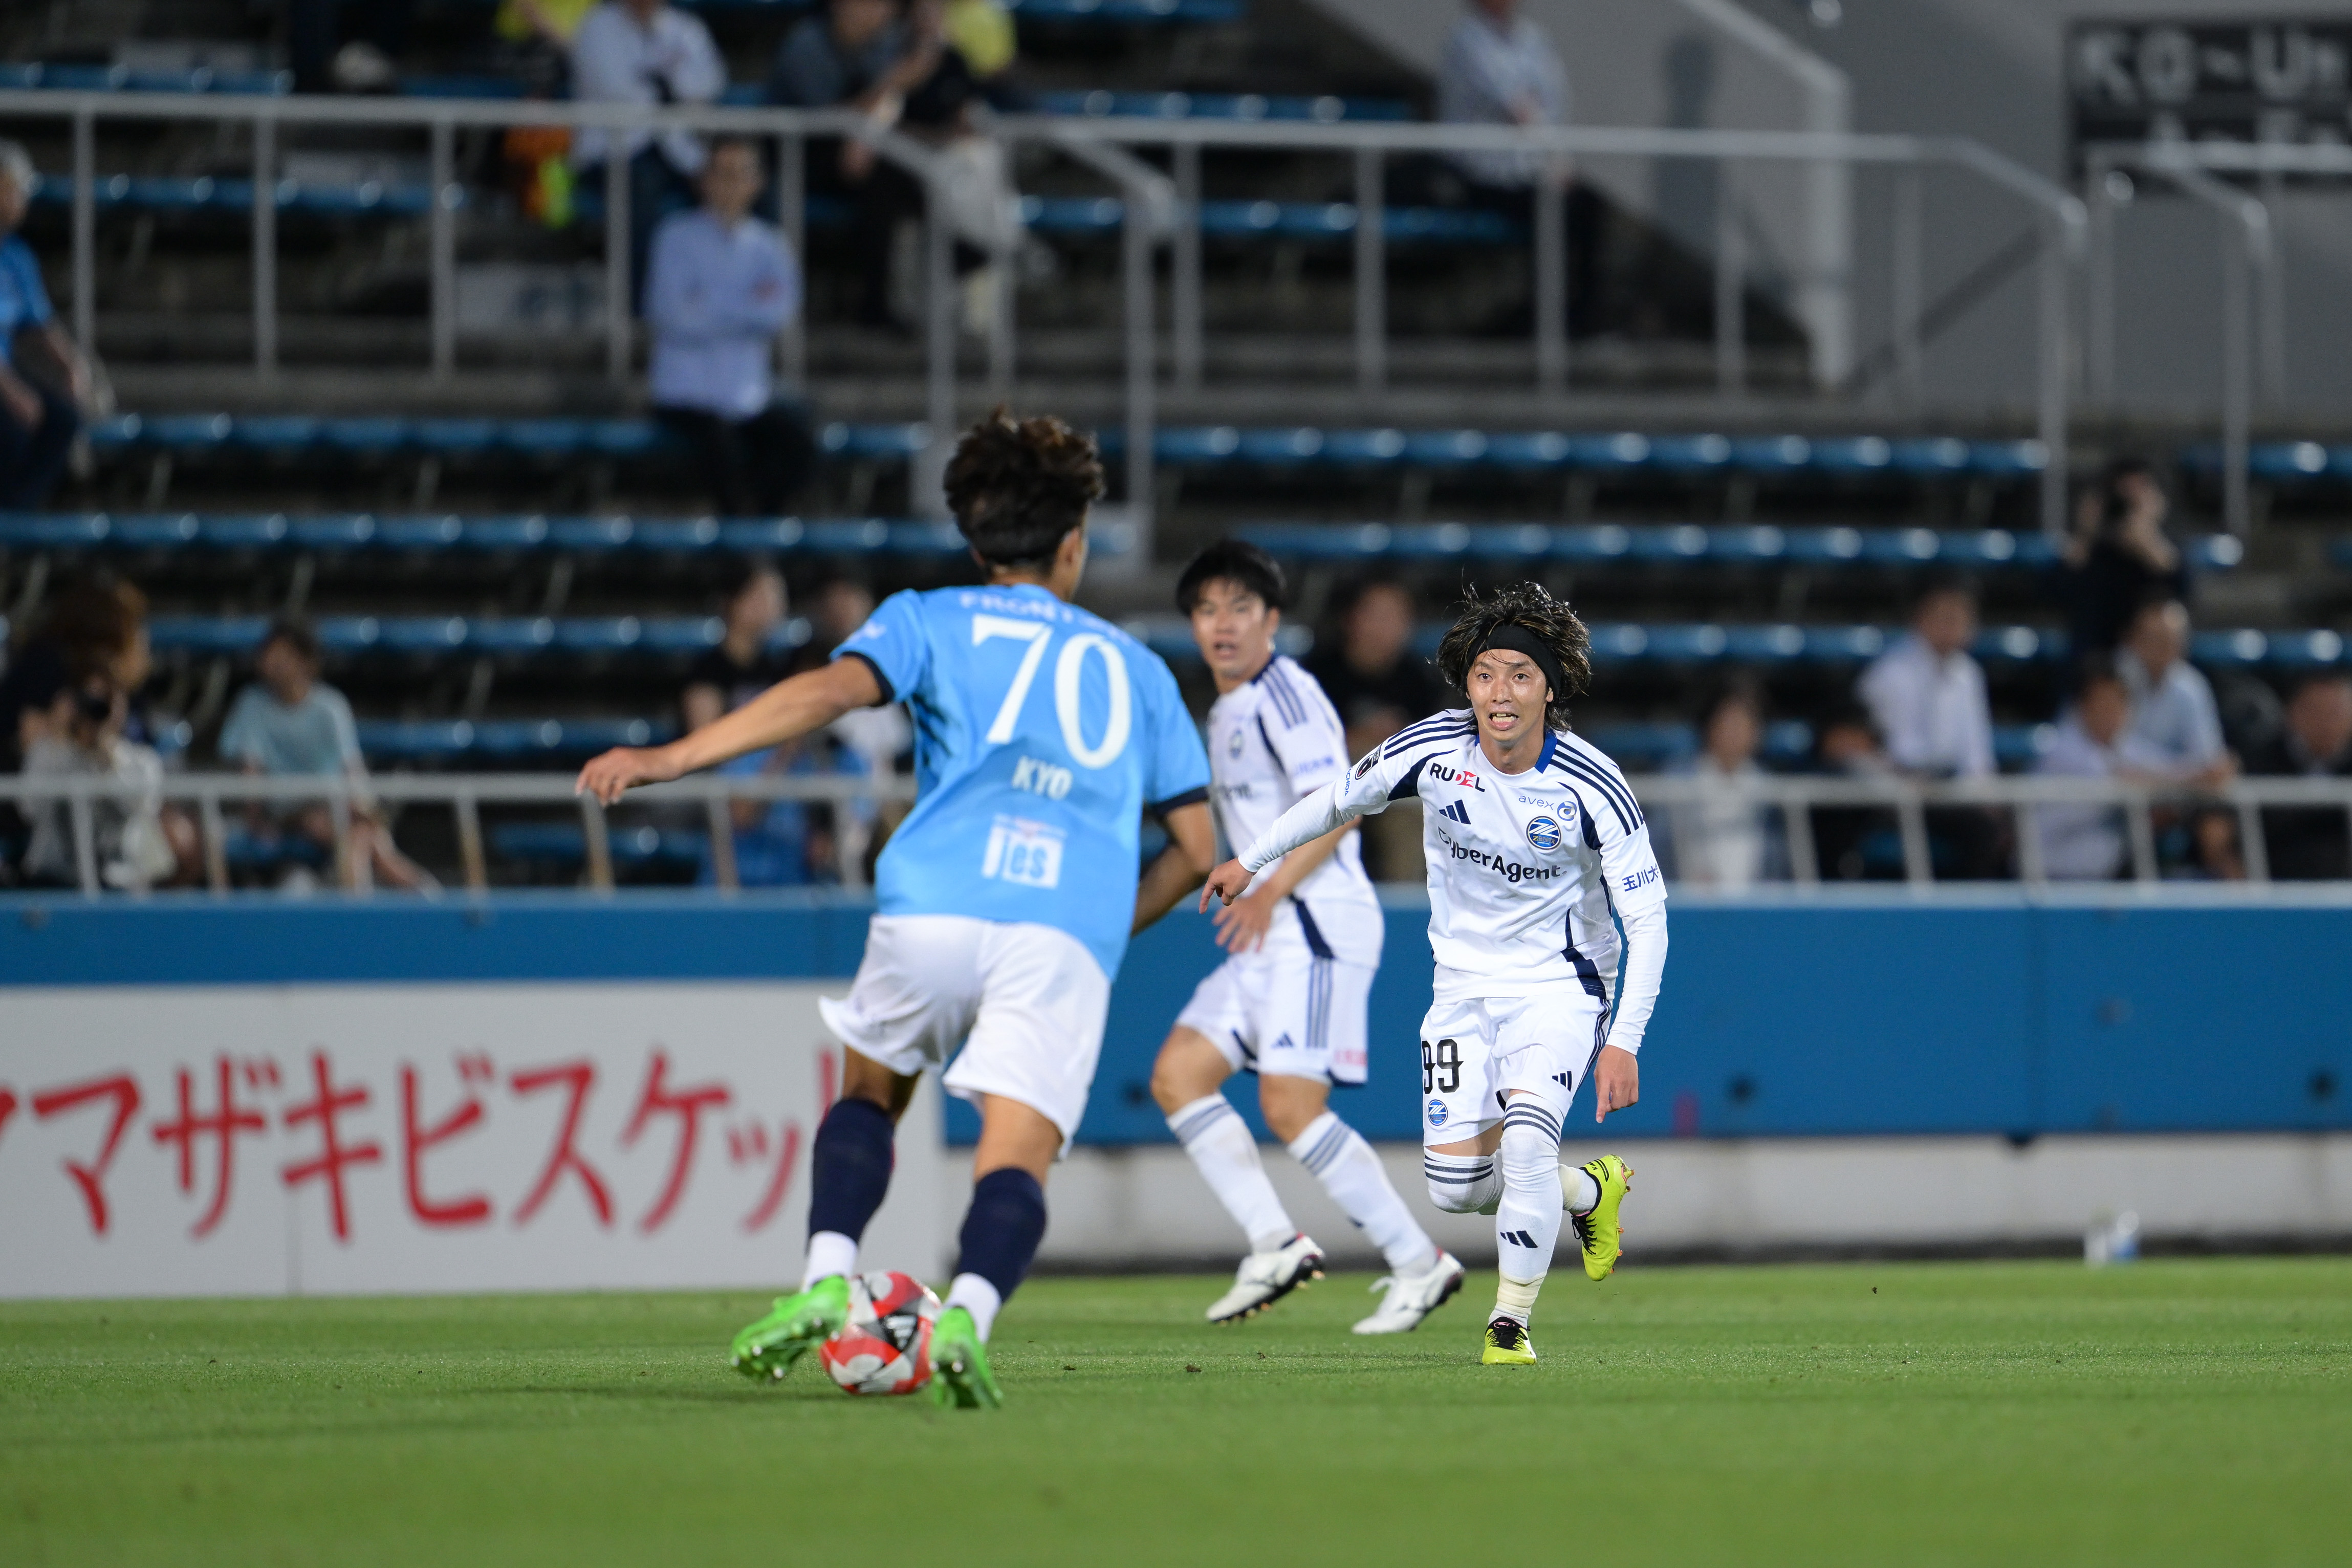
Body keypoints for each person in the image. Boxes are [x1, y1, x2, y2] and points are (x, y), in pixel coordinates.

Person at [577, 410, 1215, 1408]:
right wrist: (1103, 922)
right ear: (1074, 545)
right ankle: (968, 1314)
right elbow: (1198, 849)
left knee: (870, 1092)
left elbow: (829, 692)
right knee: (1016, 1151)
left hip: (935, 902)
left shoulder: (928, 617)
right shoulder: (1138, 669)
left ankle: (824, 1276)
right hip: (1060, 930)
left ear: (976, 545)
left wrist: (674, 756)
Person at [1201, 581, 1661, 1367]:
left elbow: (1647, 920)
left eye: (1521, 675)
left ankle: (1509, 1326)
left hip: (1561, 987)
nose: (1500, 693)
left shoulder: (1593, 785)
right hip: (1461, 991)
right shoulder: (1434, 751)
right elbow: (1338, 800)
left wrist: (1625, 1040)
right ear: (1467, 684)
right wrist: (1251, 859)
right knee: (1458, 1188)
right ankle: (1590, 1192)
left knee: (1527, 1142)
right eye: (1486, 675)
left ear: (1551, 689)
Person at [1146, 540, 1462, 1334]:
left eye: (1240, 608)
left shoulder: (1286, 696)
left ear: (1272, 620)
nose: (1223, 624)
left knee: (1289, 1105)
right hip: (1272, 920)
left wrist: (1268, 888)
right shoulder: (1228, 708)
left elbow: (1343, 804)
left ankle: (1419, 1263)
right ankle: (1274, 1243)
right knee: (1180, 1074)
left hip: (1316, 919)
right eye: (1207, 609)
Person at [769, 0, 987, 330]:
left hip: (860, 152)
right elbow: (824, 121)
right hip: (797, 156)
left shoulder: (885, 44)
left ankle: (894, 289)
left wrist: (869, 138)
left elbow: (885, 110)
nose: (882, 13)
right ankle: (951, 252)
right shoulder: (807, 45)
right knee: (886, 178)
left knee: (892, 176)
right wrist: (893, 82)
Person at [647, 137, 818, 519]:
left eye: (740, 174)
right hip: (686, 393)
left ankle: (760, 532)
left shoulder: (770, 246)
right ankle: (744, 543)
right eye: (722, 174)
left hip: (747, 395)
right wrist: (746, 307)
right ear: (703, 181)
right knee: (721, 448)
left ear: (757, 183)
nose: (730, 184)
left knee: (798, 442)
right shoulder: (675, 236)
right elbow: (672, 316)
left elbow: (779, 314)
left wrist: (709, 304)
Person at [218, 619, 435, 892]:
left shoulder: (330, 706)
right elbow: (251, 770)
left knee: (365, 836)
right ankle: (425, 894)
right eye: (269, 655)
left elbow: (352, 769)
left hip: (336, 807)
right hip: (286, 811)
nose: (272, 663)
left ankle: (396, 896)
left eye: (283, 655)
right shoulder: (252, 705)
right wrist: (256, 820)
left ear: (306, 661)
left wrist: (365, 808)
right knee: (357, 835)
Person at [1430, 0, 1599, 335]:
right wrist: (1555, 156)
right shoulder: (1468, 39)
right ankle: (1541, 318)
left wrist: (1556, 158)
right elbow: (1514, 103)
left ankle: (1576, 317)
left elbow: (1554, 100)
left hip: (1529, 171)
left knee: (1586, 205)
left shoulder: (1533, 37)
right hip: (1478, 175)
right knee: (1554, 209)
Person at [569, 0, 726, 308]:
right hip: (613, 153)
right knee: (641, 191)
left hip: (680, 151)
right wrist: (671, 89)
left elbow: (709, 84)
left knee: (730, 184)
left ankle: (718, 301)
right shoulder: (596, 27)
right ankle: (639, 309)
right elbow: (617, 91)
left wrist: (667, 89)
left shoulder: (686, 29)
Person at [1858, 576, 2002, 878]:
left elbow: (1977, 753)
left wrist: (1984, 791)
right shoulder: (1889, 674)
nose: (1953, 626)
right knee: (1979, 832)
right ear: (1920, 618)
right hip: (1901, 791)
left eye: (1960, 618)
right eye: (1944, 617)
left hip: (1951, 791)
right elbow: (1891, 752)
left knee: (2012, 822)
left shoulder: (1969, 675)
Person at [1305, 578, 1445, 884]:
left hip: (1396, 786)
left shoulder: (1420, 681)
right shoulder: (1315, 675)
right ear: (1351, 618)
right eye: (1375, 615)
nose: (1383, 627)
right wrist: (1357, 738)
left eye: (1395, 617)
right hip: (1328, 781)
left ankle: (1404, 903)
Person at [18, 666, 186, 890]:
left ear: (122, 705)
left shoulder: (143, 761)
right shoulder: (48, 753)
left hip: (121, 881)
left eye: (106, 699)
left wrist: (108, 758)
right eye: (88, 699)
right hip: (55, 878)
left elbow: (142, 808)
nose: (96, 708)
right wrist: (59, 739)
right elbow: (29, 809)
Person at [0, 141, 92, 510]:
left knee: (63, 420)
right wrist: (12, 392)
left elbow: (41, 323)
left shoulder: (16, 256)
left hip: (6, 370)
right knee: (14, 427)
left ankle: (19, 515)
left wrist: (73, 368)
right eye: (12, 189)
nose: (20, 200)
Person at [2032, 657, 2178, 881]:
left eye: (2119, 702)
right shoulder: (2061, 749)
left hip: (2101, 879)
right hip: (2048, 876)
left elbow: (2167, 768)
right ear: (2082, 707)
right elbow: (2124, 780)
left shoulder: (2122, 745)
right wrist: (2192, 778)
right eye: (2103, 703)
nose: (2112, 712)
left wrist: (2202, 773)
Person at [2060, 458, 2189, 659]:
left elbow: (2184, 595)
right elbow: (2058, 594)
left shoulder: (2168, 551)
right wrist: (2085, 536)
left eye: (2138, 495)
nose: (2129, 505)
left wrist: (2148, 543)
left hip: (2151, 663)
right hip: (2098, 660)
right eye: (2122, 495)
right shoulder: (2095, 554)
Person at [1664, 679, 1779, 889]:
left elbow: (1779, 859)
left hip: (1755, 900)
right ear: (1710, 726)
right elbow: (1660, 845)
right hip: (1689, 898)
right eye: (1728, 723)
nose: (1735, 733)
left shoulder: (1769, 787)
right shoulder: (1679, 781)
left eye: (1744, 724)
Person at [2245, 671, 2352, 881]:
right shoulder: (2258, 762)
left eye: (2336, 713)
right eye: (2316, 712)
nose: (2326, 723)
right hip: (2274, 883)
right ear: (2291, 713)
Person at [2115, 596, 2227, 773]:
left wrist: (2159, 775)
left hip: (2180, 790)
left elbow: (2208, 760)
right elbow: (2111, 751)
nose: (2163, 649)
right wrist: (2182, 772)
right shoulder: (2114, 678)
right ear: (2135, 640)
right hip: (2112, 788)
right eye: (2156, 639)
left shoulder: (2192, 687)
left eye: (2171, 641)